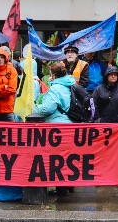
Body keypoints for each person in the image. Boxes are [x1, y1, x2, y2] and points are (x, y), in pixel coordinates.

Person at [34, 62, 75, 196]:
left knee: (58, 159)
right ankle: (69, 186)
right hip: (70, 124)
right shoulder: (70, 84)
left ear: (54, 75)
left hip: (58, 127)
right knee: (68, 157)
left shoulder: (56, 88)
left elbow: (47, 108)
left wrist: (36, 108)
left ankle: (61, 189)